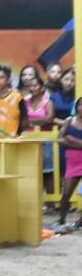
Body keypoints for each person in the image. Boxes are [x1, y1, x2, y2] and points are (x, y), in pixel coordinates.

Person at [54, 98, 82, 230]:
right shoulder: (69, 121)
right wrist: (68, 141)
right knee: (66, 193)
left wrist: (73, 140)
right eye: (81, 105)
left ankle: (80, 221)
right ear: (77, 107)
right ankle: (61, 220)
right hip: (73, 163)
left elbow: (67, 138)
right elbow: (59, 138)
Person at [0, 64, 26, 136]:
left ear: (8, 80)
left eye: (1, 77)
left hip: (14, 142)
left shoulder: (17, 97)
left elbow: (24, 120)